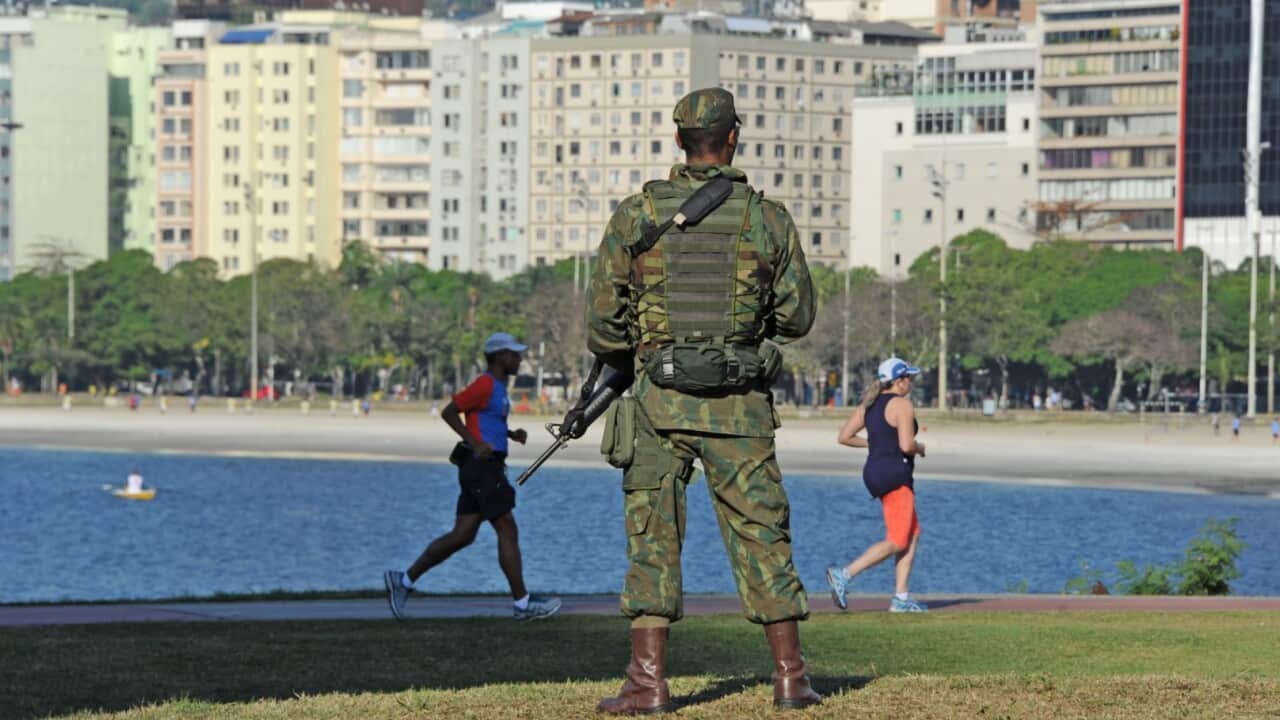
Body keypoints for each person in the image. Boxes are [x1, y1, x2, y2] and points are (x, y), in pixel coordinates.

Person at [587, 87, 820, 714]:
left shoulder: (636, 216)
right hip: (739, 407)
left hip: (657, 405)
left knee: (652, 538)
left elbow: (603, 326)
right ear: (733, 138)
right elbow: (797, 318)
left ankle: (648, 683)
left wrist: (646, 344)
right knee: (762, 534)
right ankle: (790, 678)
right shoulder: (767, 219)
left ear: (679, 140)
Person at [384, 333, 560, 623]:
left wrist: (510, 434)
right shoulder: (485, 384)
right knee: (507, 528)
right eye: (514, 354)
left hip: (483, 467)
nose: (519, 359)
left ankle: (402, 581)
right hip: (482, 468)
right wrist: (474, 442)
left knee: (462, 535)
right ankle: (523, 603)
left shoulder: (498, 387)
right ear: (499, 356)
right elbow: (450, 412)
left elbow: (486, 421)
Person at [826, 358, 928, 614]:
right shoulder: (902, 405)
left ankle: (901, 598)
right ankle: (844, 574)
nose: (911, 383)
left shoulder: (869, 404)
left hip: (875, 473)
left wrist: (874, 444)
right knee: (897, 539)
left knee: (912, 533)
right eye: (908, 378)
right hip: (895, 475)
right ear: (899, 381)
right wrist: (920, 448)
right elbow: (906, 445)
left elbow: (844, 436)